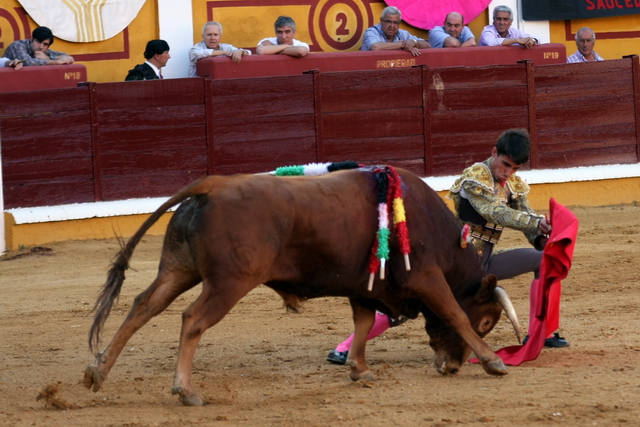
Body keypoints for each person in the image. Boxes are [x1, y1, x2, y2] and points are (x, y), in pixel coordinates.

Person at [327, 129, 569, 366]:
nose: (508, 172)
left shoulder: (512, 183)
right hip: (456, 265)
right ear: (494, 152)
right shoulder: (475, 177)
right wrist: (535, 222)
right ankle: (344, 348)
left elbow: (523, 214)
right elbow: (495, 212)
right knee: (405, 306)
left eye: (515, 168)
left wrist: (540, 234)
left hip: (483, 263)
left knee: (543, 258)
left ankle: (542, 333)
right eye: (505, 164)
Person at [361, 6, 430, 55]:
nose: (392, 26)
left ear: (399, 23)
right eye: (388, 22)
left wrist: (414, 42)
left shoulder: (403, 33)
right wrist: (404, 45)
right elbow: (375, 47)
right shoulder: (371, 31)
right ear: (381, 21)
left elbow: (427, 46)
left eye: (395, 23)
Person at [3, 26, 74, 66]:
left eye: (45, 44)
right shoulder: (18, 46)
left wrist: (47, 57)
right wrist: (55, 62)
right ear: (31, 39)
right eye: (39, 41)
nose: (41, 46)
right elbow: (28, 63)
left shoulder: (43, 51)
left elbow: (69, 58)